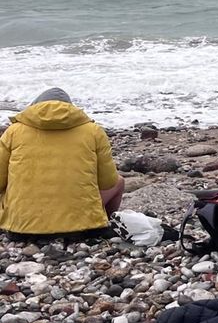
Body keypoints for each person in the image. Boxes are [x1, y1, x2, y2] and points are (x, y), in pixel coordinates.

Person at [0, 88, 125, 236]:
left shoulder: (13, 132)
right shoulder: (94, 131)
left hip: (20, 229)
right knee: (119, 181)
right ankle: (104, 223)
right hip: (83, 229)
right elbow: (108, 182)